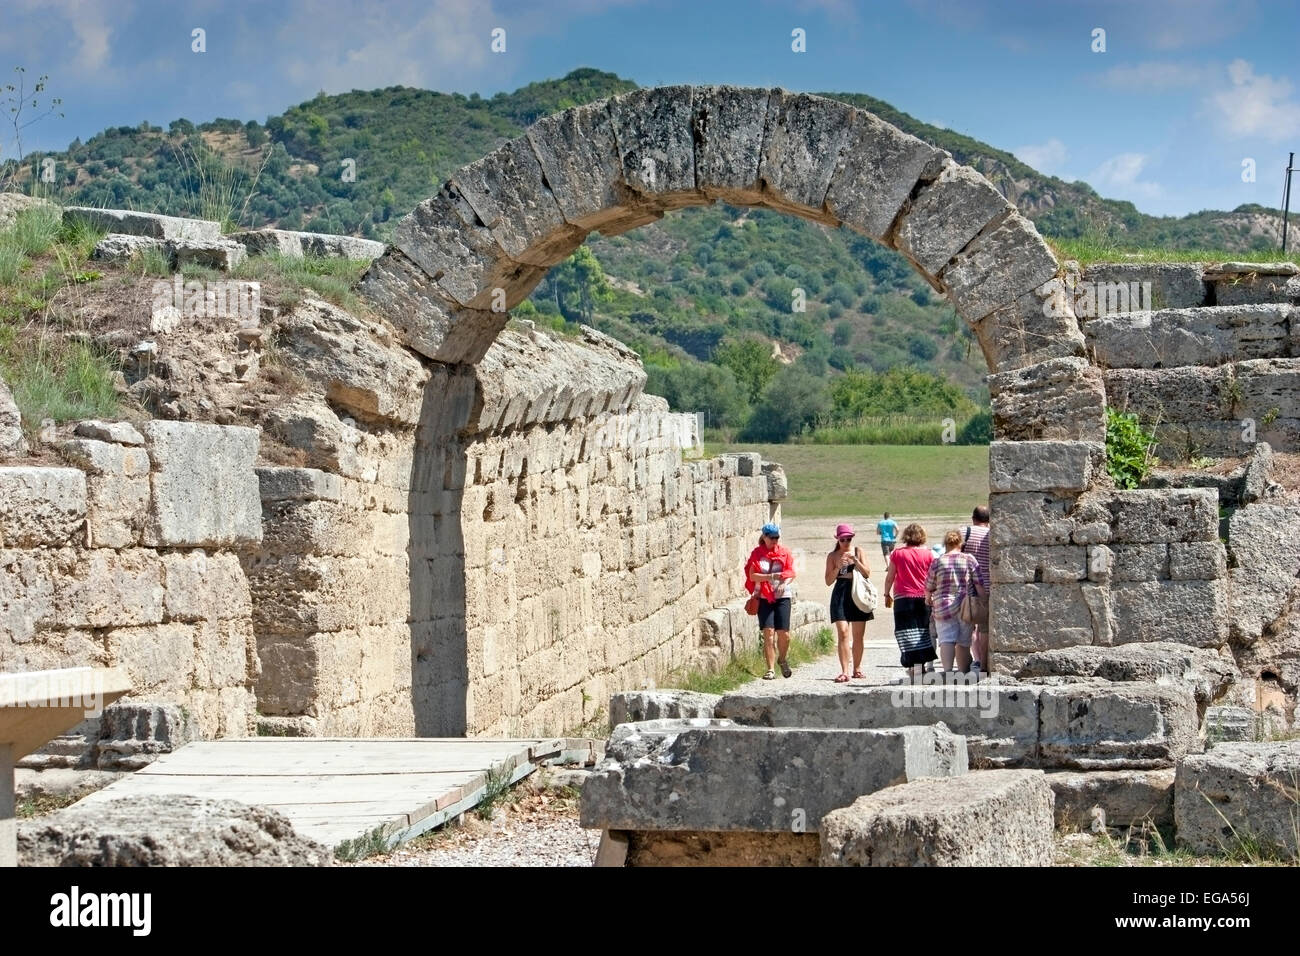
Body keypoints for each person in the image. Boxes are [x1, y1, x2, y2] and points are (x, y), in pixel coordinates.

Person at [926, 530, 984, 675]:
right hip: (965, 605)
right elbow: (978, 583)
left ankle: (947, 671)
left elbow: (929, 586)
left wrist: (928, 599)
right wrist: (984, 601)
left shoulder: (937, 562)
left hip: (942, 605)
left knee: (946, 639)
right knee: (964, 642)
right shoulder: (969, 559)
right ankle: (963, 672)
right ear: (960, 543)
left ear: (945, 543)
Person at [883, 522, 936, 680]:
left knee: (906, 632)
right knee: (923, 631)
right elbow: (933, 578)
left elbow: (890, 577)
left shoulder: (897, 554)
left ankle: (913, 667)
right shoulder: (929, 554)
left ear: (906, 536)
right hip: (923, 596)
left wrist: (886, 594)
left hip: (902, 597)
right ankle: (921, 667)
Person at [745, 522, 796, 680]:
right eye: (772, 538)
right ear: (764, 537)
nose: (775, 541)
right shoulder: (757, 554)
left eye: (777, 537)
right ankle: (770, 669)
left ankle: (782, 659)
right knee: (768, 633)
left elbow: (791, 573)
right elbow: (752, 576)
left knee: (784, 634)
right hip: (764, 596)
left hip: (783, 597)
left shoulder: (784, 552)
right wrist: (771, 577)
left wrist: (784, 583)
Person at [824, 523, 873, 683]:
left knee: (858, 635)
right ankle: (844, 671)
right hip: (841, 592)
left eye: (849, 539)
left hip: (857, 592)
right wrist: (838, 567)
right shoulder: (832, 556)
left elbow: (867, 573)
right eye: (843, 539)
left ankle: (857, 668)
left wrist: (856, 561)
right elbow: (828, 581)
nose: (846, 542)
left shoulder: (859, 551)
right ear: (837, 539)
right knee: (843, 632)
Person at [962, 505, 992, 674]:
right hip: (988, 586)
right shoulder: (991, 534)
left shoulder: (963, 532)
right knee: (984, 628)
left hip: (967, 587)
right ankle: (984, 664)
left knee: (969, 627)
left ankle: (975, 660)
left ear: (973, 519)